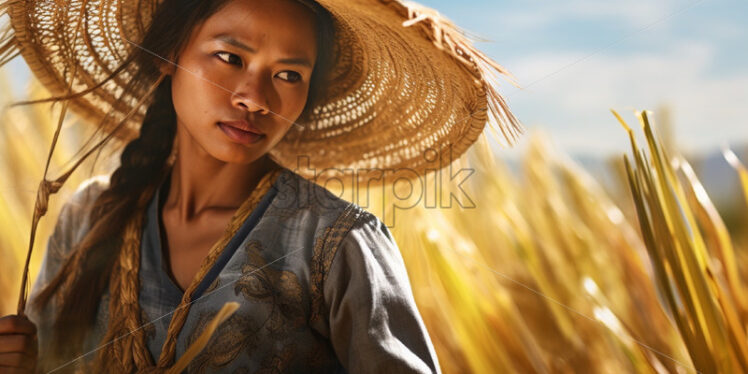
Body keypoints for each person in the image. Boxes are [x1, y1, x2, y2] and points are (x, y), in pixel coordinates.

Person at [0, 0, 521, 372]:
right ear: (168, 58)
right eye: (230, 58)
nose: (255, 97)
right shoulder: (88, 217)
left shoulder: (337, 244)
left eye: (288, 75)